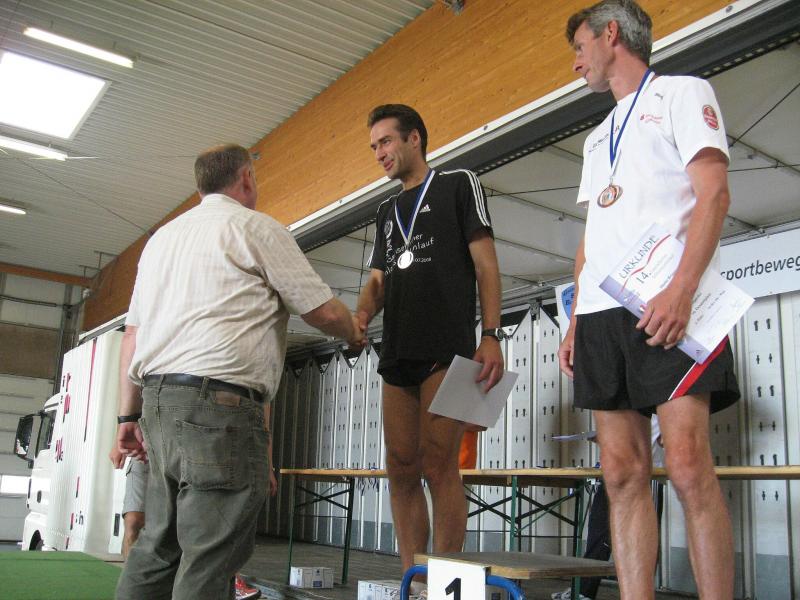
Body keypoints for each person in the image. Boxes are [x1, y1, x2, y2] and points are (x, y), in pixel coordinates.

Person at [114, 143, 363, 600]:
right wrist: (354, 333)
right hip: (218, 410)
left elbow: (132, 336)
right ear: (246, 177)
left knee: (157, 547)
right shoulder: (256, 228)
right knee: (209, 555)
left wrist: (126, 419)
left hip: (157, 405)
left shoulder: (160, 241)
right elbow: (322, 311)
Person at [557, 2, 740, 599]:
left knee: (686, 464)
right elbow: (592, 238)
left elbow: (714, 194)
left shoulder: (683, 93)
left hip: (666, 301)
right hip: (600, 314)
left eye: (580, 46)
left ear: (611, 34)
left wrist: (681, 290)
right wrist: (574, 322)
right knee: (620, 473)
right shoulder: (595, 139)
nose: (576, 61)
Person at [356, 104, 505, 581]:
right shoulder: (385, 211)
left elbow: (486, 265)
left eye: (386, 141)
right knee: (400, 465)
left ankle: (446, 582)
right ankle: (413, 580)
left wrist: (491, 335)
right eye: (374, 146)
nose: (379, 153)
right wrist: (360, 315)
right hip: (397, 350)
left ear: (414, 138)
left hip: (448, 348)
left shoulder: (458, 184)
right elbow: (378, 280)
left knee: (439, 464)